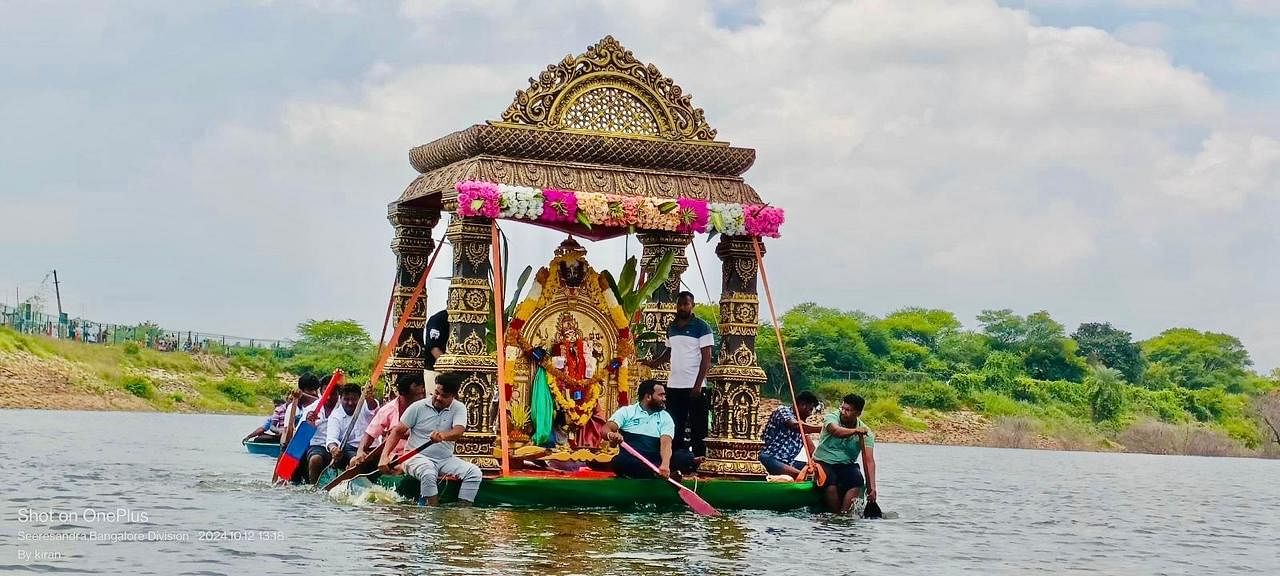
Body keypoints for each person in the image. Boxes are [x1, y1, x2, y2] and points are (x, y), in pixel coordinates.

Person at [379, 372, 482, 506]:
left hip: (445, 459)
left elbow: (458, 431)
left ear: (453, 396)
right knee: (428, 472)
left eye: (444, 396)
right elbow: (397, 431)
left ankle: (463, 510)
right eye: (436, 393)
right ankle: (433, 510)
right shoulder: (418, 407)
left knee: (474, 472)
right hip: (416, 457)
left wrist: (442, 436)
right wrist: (384, 457)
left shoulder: (459, 408)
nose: (438, 398)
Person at [643, 291, 713, 457]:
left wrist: (698, 384)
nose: (682, 307)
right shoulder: (672, 327)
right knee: (675, 423)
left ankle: (699, 458)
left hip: (694, 385)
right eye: (679, 304)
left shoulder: (702, 327)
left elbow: (707, 358)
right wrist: (653, 363)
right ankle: (677, 458)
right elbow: (669, 351)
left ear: (692, 305)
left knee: (698, 425)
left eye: (686, 304)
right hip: (674, 384)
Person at [604, 379, 698, 479]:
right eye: (661, 395)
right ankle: (656, 473)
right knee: (618, 462)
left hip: (656, 459)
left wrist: (665, 465)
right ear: (648, 396)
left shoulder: (666, 417)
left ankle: (657, 471)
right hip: (632, 458)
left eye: (664, 395)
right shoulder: (627, 412)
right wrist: (611, 435)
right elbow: (606, 428)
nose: (664, 398)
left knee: (684, 457)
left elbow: (666, 443)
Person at [812, 393, 877, 514]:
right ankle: (835, 514)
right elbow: (835, 431)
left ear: (857, 413)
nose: (843, 412)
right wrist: (855, 431)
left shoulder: (866, 432)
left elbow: (869, 461)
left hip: (846, 465)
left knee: (857, 480)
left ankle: (844, 514)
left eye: (848, 410)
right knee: (830, 485)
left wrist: (872, 488)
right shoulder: (832, 417)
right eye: (842, 408)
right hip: (823, 462)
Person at [351, 373, 428, 471]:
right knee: (354, 462)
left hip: (418, 455)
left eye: (423, 393)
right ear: (404, 394)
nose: (422, 397)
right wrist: (360, 451)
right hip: (392, 457)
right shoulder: (387, 409)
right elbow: (370, 433)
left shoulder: (426, 409)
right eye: (418, 395)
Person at [758, 391, 824, 478]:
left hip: (788, 463)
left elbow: (811, 451)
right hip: (769, 459)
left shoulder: (803, 425)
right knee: (801, 474)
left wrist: (819, 465)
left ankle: (805, 475)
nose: (810, 414)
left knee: (817, 469)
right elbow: (794, 426)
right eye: (810, 409)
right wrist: (823, 429)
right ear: (802, 405)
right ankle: (802, 477)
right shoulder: (783, 410)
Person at [324, 383, 378, 471]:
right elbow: (331, 439)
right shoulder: (335, 416)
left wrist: (369, 397)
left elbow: (373, 408)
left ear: (360, 398)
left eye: (354, 399)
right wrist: (334, 449)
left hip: (371, 448)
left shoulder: (365, 405)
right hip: (349, 450)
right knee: (348, 453)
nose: (350, 403)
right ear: (340, 398)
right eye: (346, 399)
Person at [299, 375, 340, 484]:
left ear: (338, 393)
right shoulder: (311, 409)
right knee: (315, 459)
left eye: (333, 393)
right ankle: (314, 489)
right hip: (317, 446)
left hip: (340, 446)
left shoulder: (345, 406)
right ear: (320, 392)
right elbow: (301, 435)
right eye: (326, 393)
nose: (329, 397)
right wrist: (309, 422)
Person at [423, 309, 449, 391]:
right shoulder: (438, 319)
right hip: (436, 371)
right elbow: (434, 347)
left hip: (455, 374)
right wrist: (448, 369)